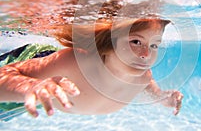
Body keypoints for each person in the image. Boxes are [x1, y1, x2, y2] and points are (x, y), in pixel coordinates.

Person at [0, 18, 183, 118]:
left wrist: (162, 98)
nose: (146, 54)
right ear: (109, 42)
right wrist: (31, 86)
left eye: (154, 45)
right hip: (32, 62)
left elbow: (148, 87)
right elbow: (4, 75)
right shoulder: (74, 61)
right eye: (136, 41)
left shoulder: (142, 77)